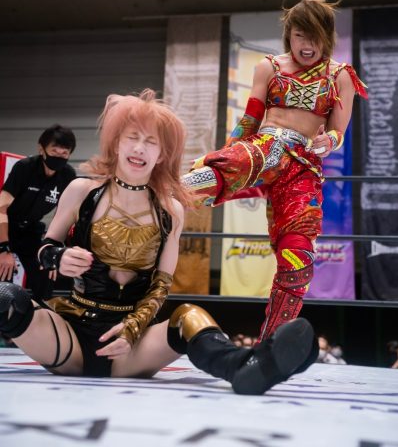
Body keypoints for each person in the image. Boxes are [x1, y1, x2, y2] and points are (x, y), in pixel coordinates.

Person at [0, 90, 317, 392]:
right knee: (6, 297)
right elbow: (45, 247)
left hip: (131, 347)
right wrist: (58, 257)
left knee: (189, 316)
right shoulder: (82, 190)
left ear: (162, 153)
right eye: (132, 137)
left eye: (150, 142)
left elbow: (161, 285)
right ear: (116, 143)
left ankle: (248, 366)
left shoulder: (171, 210)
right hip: (69, 337)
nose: (139, 148)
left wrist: (133, 328)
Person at [183, 0, 368, 342]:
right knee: (226, 165)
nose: (307, 45)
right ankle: (167, 190)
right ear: (289, 35)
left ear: (327, 37)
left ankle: (271, 344)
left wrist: (328, 142)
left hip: (304, 170)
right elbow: (250, 120)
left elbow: (338, 132)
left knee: (299, 259)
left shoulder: (341, 75)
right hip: (267, 148)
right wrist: (226, 153)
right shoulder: (269, 66)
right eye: (300, 36)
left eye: (314, 37)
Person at [0, 125, 76, 302]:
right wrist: (3, 249)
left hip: (31, 230)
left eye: (64, 153)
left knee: (46, 274)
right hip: (6, 225)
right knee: (5, 273)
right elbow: (1, 208)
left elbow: (65, 215)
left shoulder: (67, 176)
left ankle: (40, 315)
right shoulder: (24, 168)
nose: (58, 157)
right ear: (41, 149)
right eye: (54, 151)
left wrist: (54, 251)